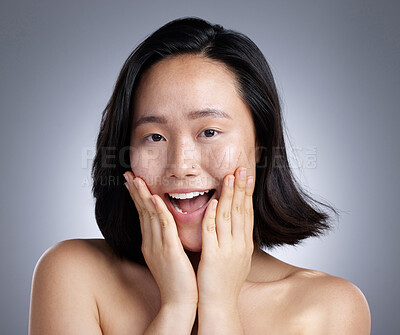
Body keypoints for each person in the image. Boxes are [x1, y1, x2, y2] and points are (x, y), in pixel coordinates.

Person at [29, 17, 371, 334]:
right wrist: (176, 307)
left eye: (209, 132)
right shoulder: (72, 275)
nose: (180, 165)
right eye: (155, 137)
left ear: (261, 146)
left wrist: (219, 306)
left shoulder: (329, 307)